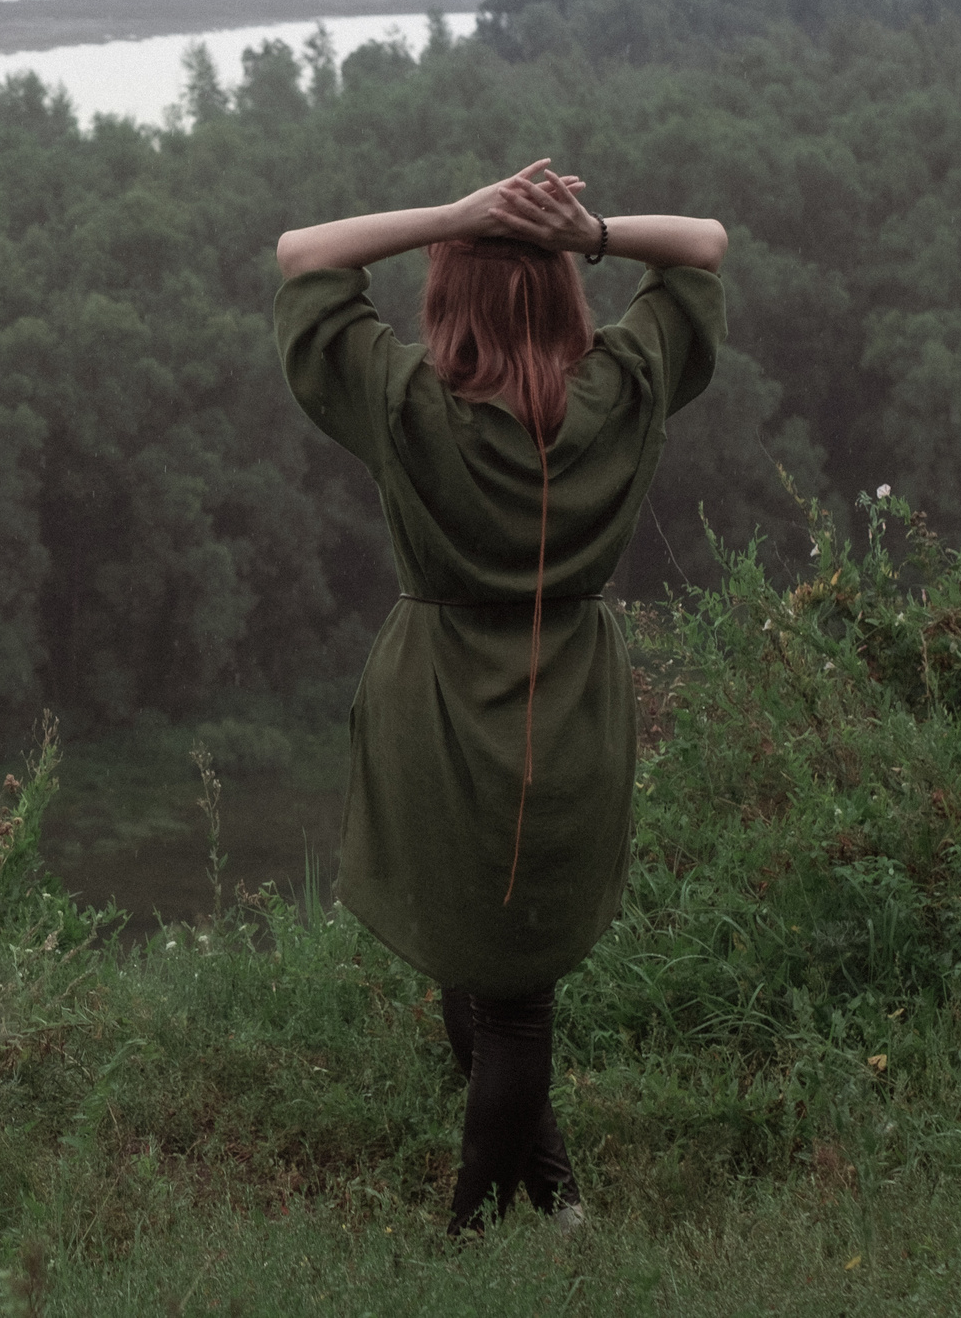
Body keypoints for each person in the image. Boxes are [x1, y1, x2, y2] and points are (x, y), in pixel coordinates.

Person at [271, 159, 727, 1235]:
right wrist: (591, 232)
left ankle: (466, 1236)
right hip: (565, 703)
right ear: (567, 289)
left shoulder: (410, 410)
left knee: (503, 995)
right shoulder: (617, 397)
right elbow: (702, 243)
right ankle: (560, 1206)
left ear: (444, 298)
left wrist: (453, 216)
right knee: (485, 969)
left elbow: (302, 256)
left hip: (433, 706)